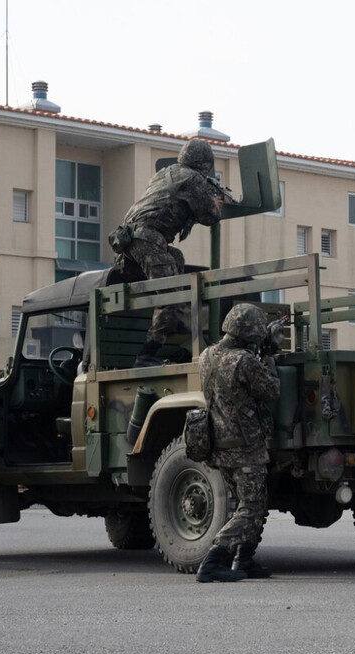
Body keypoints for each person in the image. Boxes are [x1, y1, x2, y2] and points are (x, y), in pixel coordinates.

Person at [108, 138, 225, 368]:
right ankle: (146, 354)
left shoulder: (165, 173)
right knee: (171, 294)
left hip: (128, 242)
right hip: (146, 239)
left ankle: (173, 321)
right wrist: (216, 204)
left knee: (176, 259)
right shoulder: (193, 179)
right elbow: (210, 216)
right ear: (204, 164)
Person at [195, 303, 282, 583]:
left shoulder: (206, 356)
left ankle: (243, 559)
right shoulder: (244, 361)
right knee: (252, 507)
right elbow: (271, 390)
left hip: (219, 444)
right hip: (245, 446)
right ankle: (213, 560)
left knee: (248, 503)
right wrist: (268, 355)